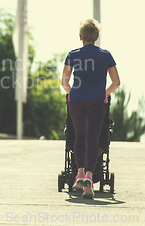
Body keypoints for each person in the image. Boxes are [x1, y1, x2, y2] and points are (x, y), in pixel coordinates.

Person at [61, 19, 120, 199]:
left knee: (79, 135)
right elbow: (116, 82)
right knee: (92, 137)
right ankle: (89, 177)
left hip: (76, 100)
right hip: (96, 100)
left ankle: (78, 173)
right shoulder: (105, 55)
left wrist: (73, 93)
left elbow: (64, 82)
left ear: (80, 37)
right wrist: (105, 93)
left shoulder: (72, 54)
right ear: (97, 36)